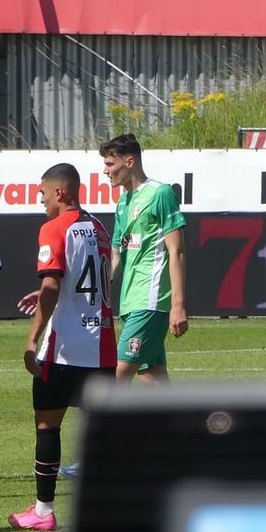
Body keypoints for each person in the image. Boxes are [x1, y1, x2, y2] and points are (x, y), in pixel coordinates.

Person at [9, 164, 117, 531]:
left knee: (47, 425)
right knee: (101, 432)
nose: (39, 200)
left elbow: (54, 285)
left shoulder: (54, 227)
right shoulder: (99, 228)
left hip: (65, 347)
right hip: (102, 345)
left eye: (42, 193)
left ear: (60, 193)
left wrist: (31, 338)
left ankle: (42, 511)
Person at [104, 133, 187, 382]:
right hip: (130, 302)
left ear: (129, 162)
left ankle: (105, 422)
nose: (105, 171)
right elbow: (116, 254)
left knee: (116, 377)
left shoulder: (160, 194)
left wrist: (178, 305)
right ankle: (177, 422)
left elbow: (177, 251)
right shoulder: (122, 203)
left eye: (110, 164)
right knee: (152, 377)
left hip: (150, 301)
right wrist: (99, 292)